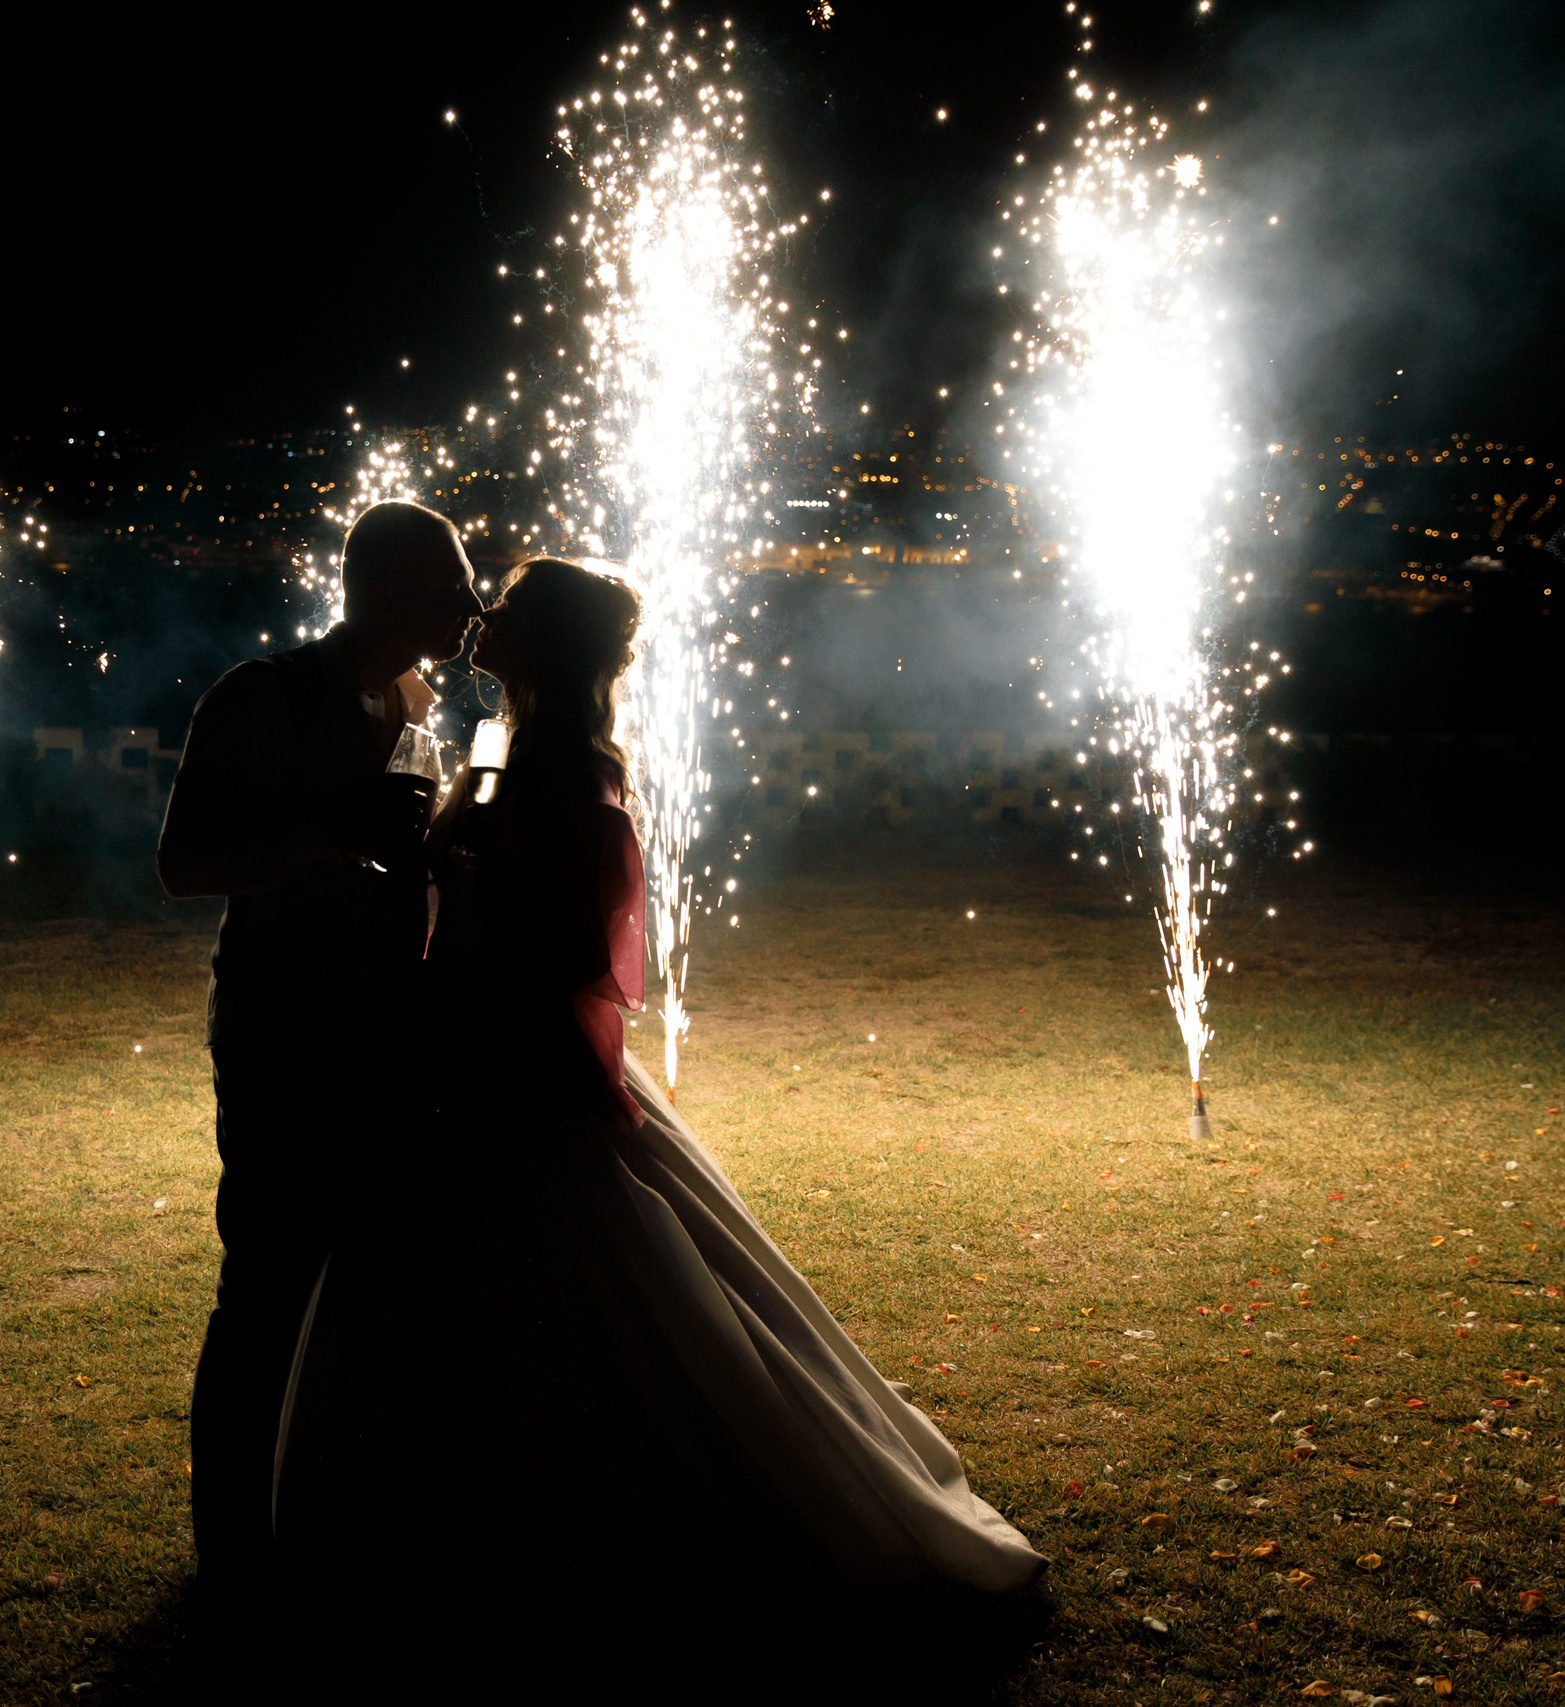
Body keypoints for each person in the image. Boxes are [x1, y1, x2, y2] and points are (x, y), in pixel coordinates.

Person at [272, 558, 1047, 1678]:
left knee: (576, 1293)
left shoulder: (574, 777)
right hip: (453, 1060)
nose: (487, 617)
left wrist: (482, 942)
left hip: (511, 1068)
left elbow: (579, 955)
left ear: (551, 649)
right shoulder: (502, 749)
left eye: (515, 612)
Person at [156, 500, 485, 1621]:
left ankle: (336, 1523)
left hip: (391, 1040)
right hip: (285, 1039)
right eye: (453, 584)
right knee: (265, 1292)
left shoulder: (417, 702)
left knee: (371, 1296)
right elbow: (183, 862)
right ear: (386, 590)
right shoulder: (261, 696)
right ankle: (233, 1555)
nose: (473, 604)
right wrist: (328, 832)